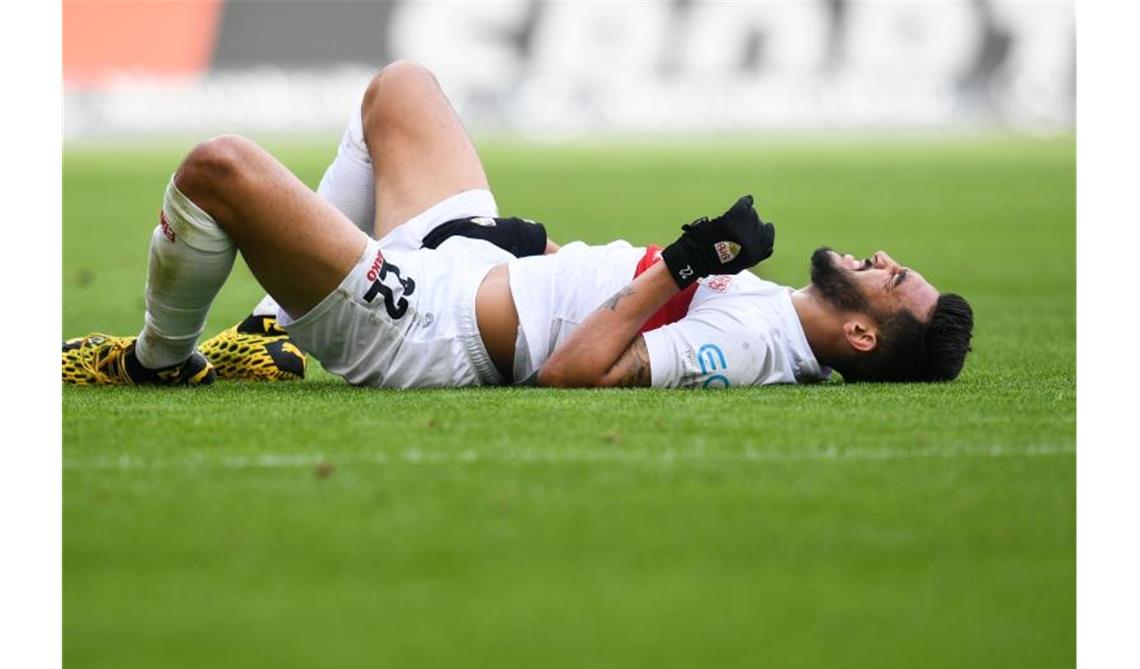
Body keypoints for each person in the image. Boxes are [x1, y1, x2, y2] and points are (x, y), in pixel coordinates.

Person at [62, 61, 973, 389]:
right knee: (402, 89)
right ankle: (271, 330)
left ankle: (155, 361)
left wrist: (692, 259)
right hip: (470, 270)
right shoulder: (774, 308)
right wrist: (538, 252)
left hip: (427, 328)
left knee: (218, 167)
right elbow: (605, 298)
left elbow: (574, 370)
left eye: (896, 281)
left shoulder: (756, 345)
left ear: (861, 333)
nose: (887, 261)